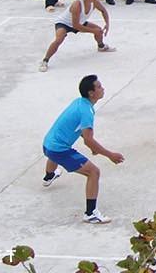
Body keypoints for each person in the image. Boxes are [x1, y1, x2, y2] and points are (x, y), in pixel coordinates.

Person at [40, 75, 124, 224]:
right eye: (98, 87)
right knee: (94, 172)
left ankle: (49, 176)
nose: (102, 88)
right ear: (91, 93)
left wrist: (92, 146)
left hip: (47, 144)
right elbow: (88, 139)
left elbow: (81, 133)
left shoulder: (79, 102)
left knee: (55, 153)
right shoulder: (87, 112)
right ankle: (91, 213)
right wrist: (110, 155)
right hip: (58, 150)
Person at [39, 0, 116, 71]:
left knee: (98, 30)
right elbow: (76, 26)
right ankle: (45, 61)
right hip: (64, 23)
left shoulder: (95, 2)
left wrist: (107, 23)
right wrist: (93, 31)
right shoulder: (77, 5)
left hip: (80, 22)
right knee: (58, 40)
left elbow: (103, 11)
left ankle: (101, 46)